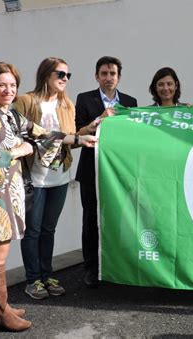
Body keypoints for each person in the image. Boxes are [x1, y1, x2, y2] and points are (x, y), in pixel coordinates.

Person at [0, 62, 96, 331]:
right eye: (1, 84)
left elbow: (43, 134)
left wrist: (80, 140)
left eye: (12, 85)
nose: (8, 90)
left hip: (9, 190)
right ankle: (0, 313)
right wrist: (19, 150)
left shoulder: (10, 115)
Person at [15, 58, 100, 300]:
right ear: (45, 75)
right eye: (60, 73)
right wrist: (73, 138)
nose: (65, 78)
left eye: (68, 75)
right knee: (33, 230)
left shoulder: (67, 104)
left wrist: (90, 129)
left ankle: (46, 275)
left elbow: (71, 139)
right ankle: (33, 280)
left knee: (48, 229)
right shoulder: (26, 101)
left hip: (59, 175)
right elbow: (21, 135)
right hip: (33, 177)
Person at [75, 56, 137, 288]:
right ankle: (91, 269)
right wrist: (100, 118)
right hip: (91, 170)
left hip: (119, 172)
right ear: (96, 76)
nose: (109, 77)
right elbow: (77, 133)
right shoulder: (84, 99)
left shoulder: (130, 102)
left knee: (118, 219)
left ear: (119, 76)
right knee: (91, 221)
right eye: (104, 73)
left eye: (112, 73)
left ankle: (116, 267)